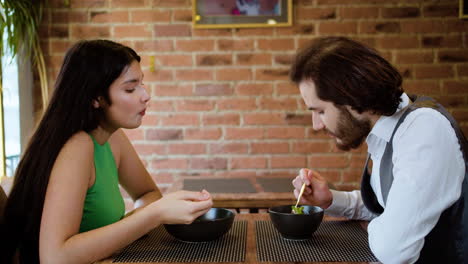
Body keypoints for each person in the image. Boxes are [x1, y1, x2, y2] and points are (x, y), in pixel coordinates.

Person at [0, 39, 213, 264]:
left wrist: (151, 213)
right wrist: (155, 214)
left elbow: (147, 194)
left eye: (142, 84)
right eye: (130, 88)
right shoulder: (76, 146)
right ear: (96, 98)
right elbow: (55, 258)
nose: (145, 95)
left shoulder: (112, 138)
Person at [290, 36, 467, 263]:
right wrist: (330, 200)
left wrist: (375, 226)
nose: (316, 124)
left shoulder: (423, 129)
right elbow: (392, 205)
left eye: (320, 111)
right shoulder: (388, 129)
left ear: (352, 98)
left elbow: (393, 250)